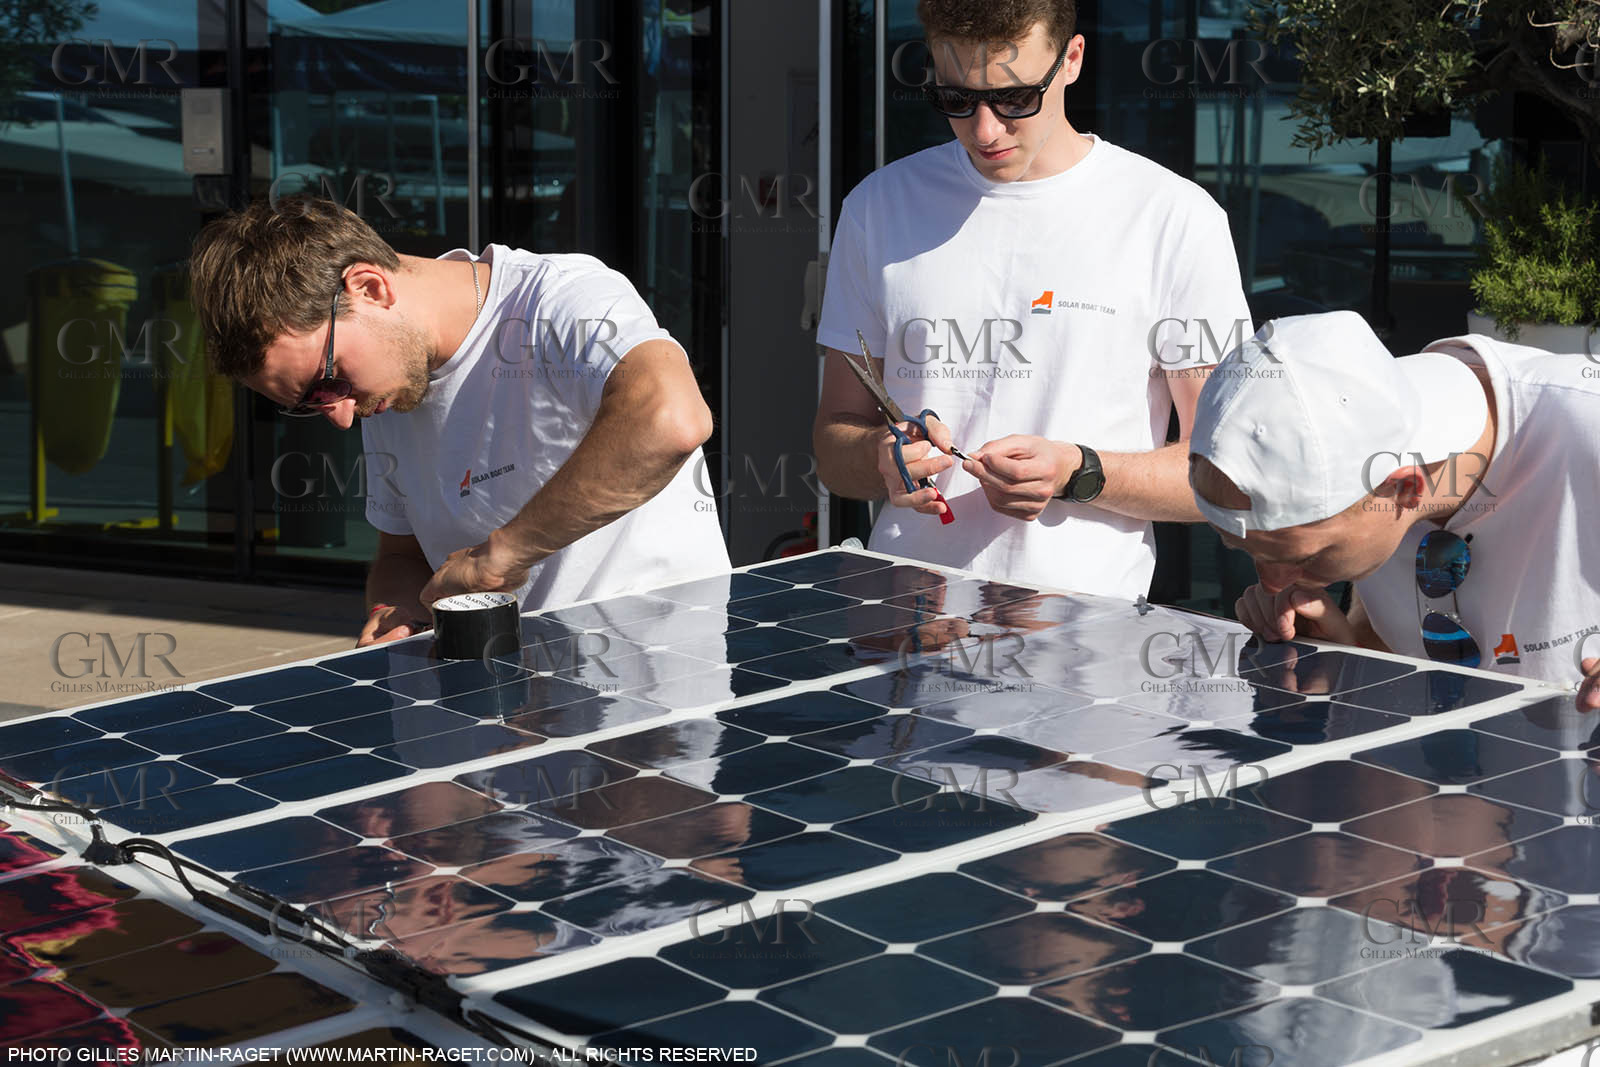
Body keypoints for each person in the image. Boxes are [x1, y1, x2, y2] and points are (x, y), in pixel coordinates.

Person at [813, 0, 1251, 598]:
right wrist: (881, 458)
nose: (985, 129)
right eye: (957, 100)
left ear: (1071, 60)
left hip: (1086, 638)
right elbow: (834, 446)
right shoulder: (877, 207)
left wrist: (1079, 471)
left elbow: (1223, 472)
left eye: (1015, 99)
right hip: (910, 624)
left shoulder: (1173, 218)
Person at [189, 195, 729, 646]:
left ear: (371, 288)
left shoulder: (561, 300)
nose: (340, 416)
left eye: (326, 384)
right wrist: (397, 607)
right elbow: (400, 553)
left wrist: (502, 555)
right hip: (501, 709)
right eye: (307, 404)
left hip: (651, 685)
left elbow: (671, 419)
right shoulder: (386, 385)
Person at [1188, 310, 1600, 709]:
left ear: (1405, 488)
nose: (1272, 585)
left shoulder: (1587, 422)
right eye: (1248, 552)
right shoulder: (1367, 420)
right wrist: (1343, 652)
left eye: (1304, 556)